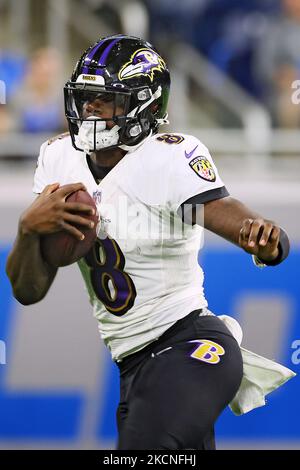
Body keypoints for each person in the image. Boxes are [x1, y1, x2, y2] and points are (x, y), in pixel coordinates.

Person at [6, 35, 290, 450]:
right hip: (135, 366)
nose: (90, 108)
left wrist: (264, 236)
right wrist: (27, 230)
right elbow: (27, 290)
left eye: (105, 99)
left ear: (145, 105)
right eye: (86, 97)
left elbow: (225, 212)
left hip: (191, 346)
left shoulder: (169, 158)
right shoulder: (58, 158)